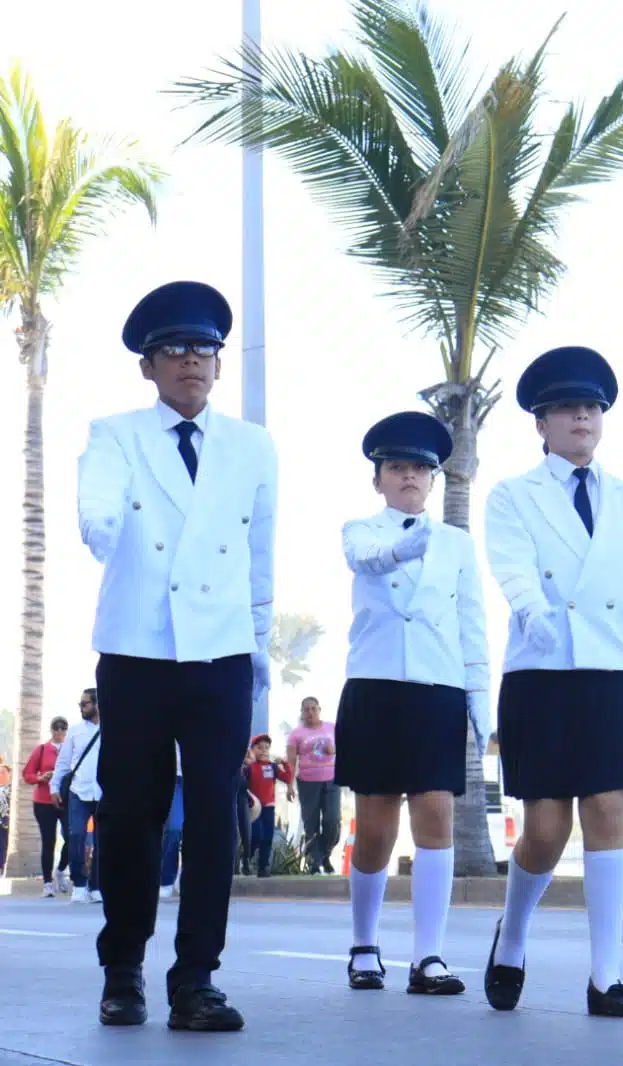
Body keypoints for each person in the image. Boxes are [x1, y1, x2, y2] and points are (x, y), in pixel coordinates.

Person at [77, 280, 277, 1031]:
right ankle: (122, 968)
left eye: (204, 349)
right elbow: (98, 498)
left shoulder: (252, 446)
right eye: (174, 351)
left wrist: (258, 647)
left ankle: (196, 977)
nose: (192, 361)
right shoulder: (116, 434)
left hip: (220, 650)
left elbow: (260, 553)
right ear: (148, 368)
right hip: (137, 647)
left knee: (215, 817)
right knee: (133, 810)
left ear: (219, 365)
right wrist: (98, 525)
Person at [481, 346, 623, 1018]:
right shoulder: (511, 495)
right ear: (541, 422)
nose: (581, 416)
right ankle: (513, 938)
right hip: (544, 670)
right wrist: (531, 609)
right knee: (547, 828)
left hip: (615, 670)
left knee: (609, 812)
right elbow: (511, 564)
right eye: (566, 407)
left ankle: (605, 976)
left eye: (590, 407)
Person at [336, 410, 490, 996]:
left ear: (433, 481)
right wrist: (405, 549)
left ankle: (429, 956)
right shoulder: (361, 529)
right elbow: (366, 559)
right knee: (375, 827)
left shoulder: (455, 544)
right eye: (397, 468)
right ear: (378, 479)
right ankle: (364, 944)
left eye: (421, 469)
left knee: (436, 818)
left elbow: (470, 624)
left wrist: (480, 704)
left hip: (437, 689)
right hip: (376, 688)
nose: (409, 478)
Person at [50, 690, 103, 904]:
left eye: (85, 704)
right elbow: (63, 763)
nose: (81, 707)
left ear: (98, 704)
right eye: (80, 704)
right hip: (78, 792)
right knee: (76, 835)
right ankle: (79, 885)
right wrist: (54, 787)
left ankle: (97, 886)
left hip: (103, 793)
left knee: (103, 841)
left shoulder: (115, 728)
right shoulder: (75, 731)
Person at [286, 697, 340, 875]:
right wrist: (289, 785)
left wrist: (335, 750)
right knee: (311, 823)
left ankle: (325, 854)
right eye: (306, 709)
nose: (310, 713)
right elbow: (291, 762)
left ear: (319, 709)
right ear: (302, 712)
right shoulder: (296, 734)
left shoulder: (331, 727)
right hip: (308, 782)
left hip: (332, 780)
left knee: (332, 821)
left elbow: (347, 747)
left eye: (313, 709)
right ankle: (314, 863)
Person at [23, 717, 71, 896]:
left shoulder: (70, 749)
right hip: (44, 801)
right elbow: (27, 774)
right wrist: (41, 778)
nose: (59, 732)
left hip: (65, 800)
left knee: (73, 836)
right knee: (48, 841)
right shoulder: (42, 750)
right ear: (51, 730)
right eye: (56, 728)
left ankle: (60, 870)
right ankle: (48, 883)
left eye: (63, 728)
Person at [244, 736, 289, 877]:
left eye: (266, 748)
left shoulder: (273, 767)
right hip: (254, 808)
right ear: (252, 750)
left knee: (268, 837)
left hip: (269, 807)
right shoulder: (250, 768)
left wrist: (284, 763)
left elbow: (287, 777)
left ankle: (263, 867)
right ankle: (246, 859)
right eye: (259, 748)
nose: (263, 751)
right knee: (256, 835)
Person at [160, 748, 183, 899]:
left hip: (202, 776)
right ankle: (166, 879)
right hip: (175, 778)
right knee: (174, 829)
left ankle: (186, 878)